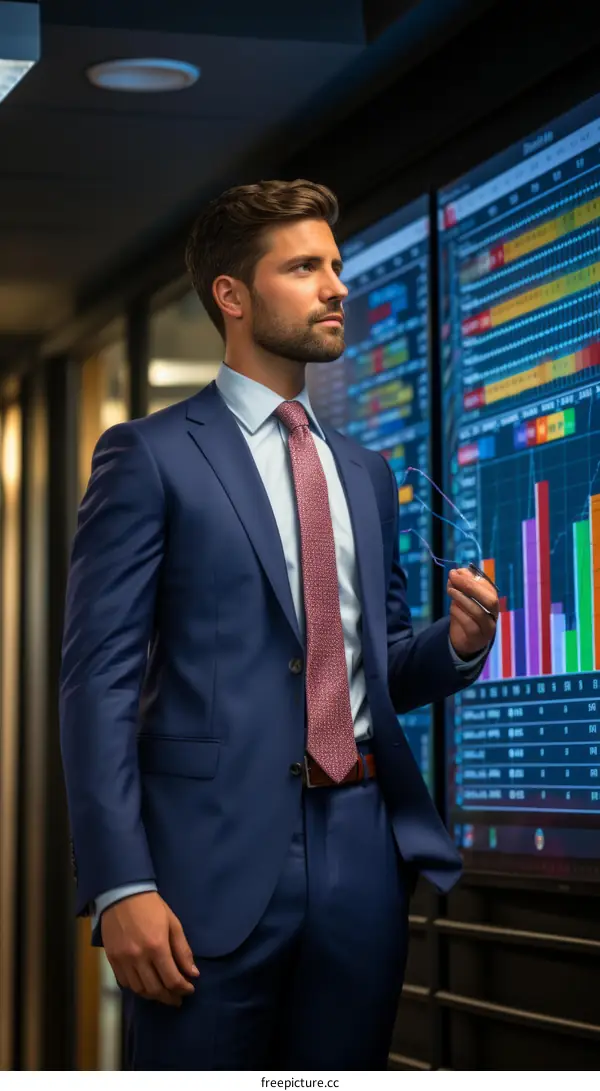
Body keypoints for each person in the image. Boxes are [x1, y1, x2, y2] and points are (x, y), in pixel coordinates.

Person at [60, 179, 498, 1071]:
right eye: (304, 268)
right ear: (232, 294)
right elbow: (96, 683)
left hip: (363, 858)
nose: (337, 287)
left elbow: (373, 665)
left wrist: (457, 646)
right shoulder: (149, 456)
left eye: (334, 265)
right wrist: (120, 883)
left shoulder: (367, 472)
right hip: (207, 866)